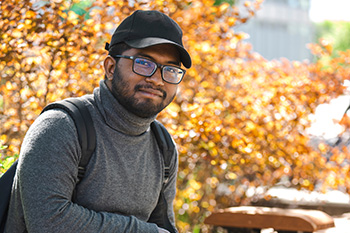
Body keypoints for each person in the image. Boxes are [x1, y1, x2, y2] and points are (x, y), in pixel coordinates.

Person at [5, 10, 191, 233]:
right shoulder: (62, 126)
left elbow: (164, 228)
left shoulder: (163, 147)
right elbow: (48, 222)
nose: (157, 79)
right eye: (143, 63)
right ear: (111, 68)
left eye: (170, 70)